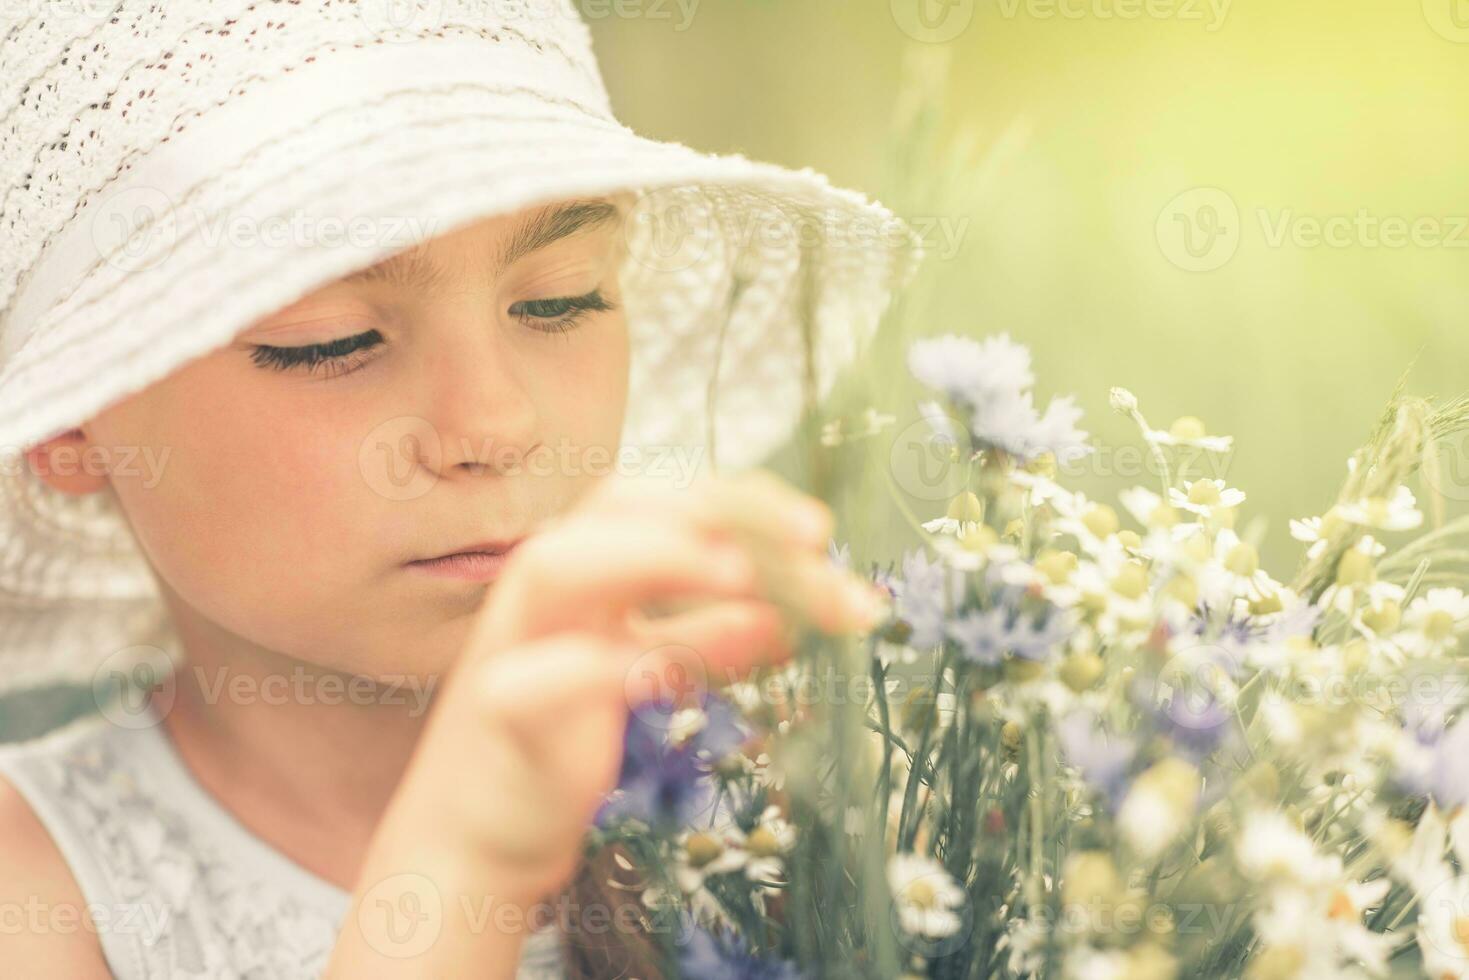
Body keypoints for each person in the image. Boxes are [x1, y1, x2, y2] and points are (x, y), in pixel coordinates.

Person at [0, 2, 920, 977]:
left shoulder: (772, 791)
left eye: (558, 296)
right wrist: (468, 854)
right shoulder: (39, 892)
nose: (493, 423)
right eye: (334, 339)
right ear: (75, 424)